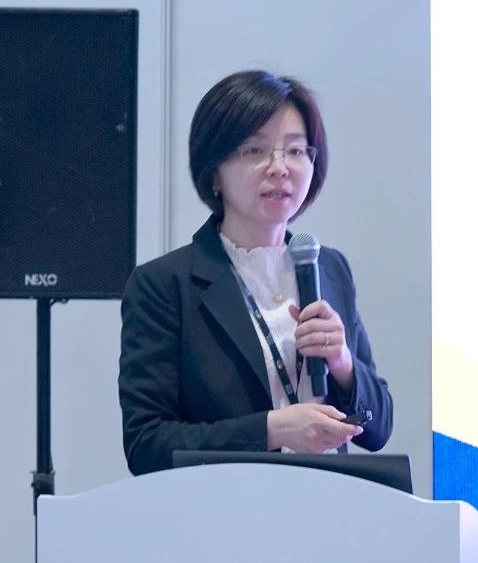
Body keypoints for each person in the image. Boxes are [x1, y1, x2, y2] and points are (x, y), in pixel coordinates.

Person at [118, 70, 393, 475]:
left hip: (331, 503)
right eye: (254, 150)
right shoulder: (164, 286)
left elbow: (378, 428)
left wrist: (342, 363)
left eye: (295, 151)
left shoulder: (329, 268)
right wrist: (271, 430)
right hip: (223, 506)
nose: (279, 168)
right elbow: (147, 445)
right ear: (214, 171)